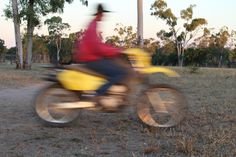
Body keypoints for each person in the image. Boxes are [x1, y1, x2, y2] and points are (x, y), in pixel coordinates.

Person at [73, 3, 127, 103]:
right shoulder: (93, 26)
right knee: (120, 72)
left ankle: (111, 93)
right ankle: (98, 94)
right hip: (91, 59)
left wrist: (115, 49)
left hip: (91, 57)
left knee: (114, 67)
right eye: (103, 14)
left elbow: (99, 45)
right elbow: (97, 47)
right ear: (99, 14)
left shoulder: (93, 24)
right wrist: (116, 51)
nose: (104, 16)